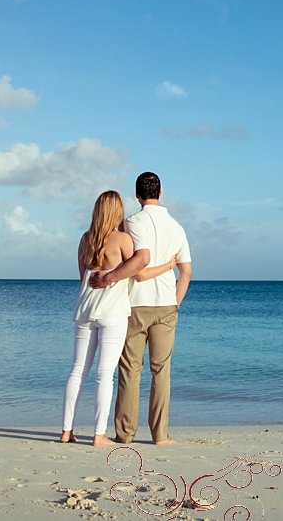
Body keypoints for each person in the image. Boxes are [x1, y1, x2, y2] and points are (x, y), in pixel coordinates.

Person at [60, 191, 176, 446]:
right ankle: (99, 435)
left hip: (85, 310)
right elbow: (140, 265)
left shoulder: (85, 239)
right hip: (112, 312)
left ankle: (66, 431)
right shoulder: (123, 239)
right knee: (105, 375)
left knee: (77, 371)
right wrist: (169, 266)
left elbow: (82, 277)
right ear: (117, 211)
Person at [97, 172, 192, 445]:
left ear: (137, 195)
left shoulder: (130, 223)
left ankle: (124, 434)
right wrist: (174, 303)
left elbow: (135, 267)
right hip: (166, 304)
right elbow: (186, 272)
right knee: (161, 371)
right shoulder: (177, 227)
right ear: (160, 193)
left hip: (135, 304)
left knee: (130, 370)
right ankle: (160, 435)